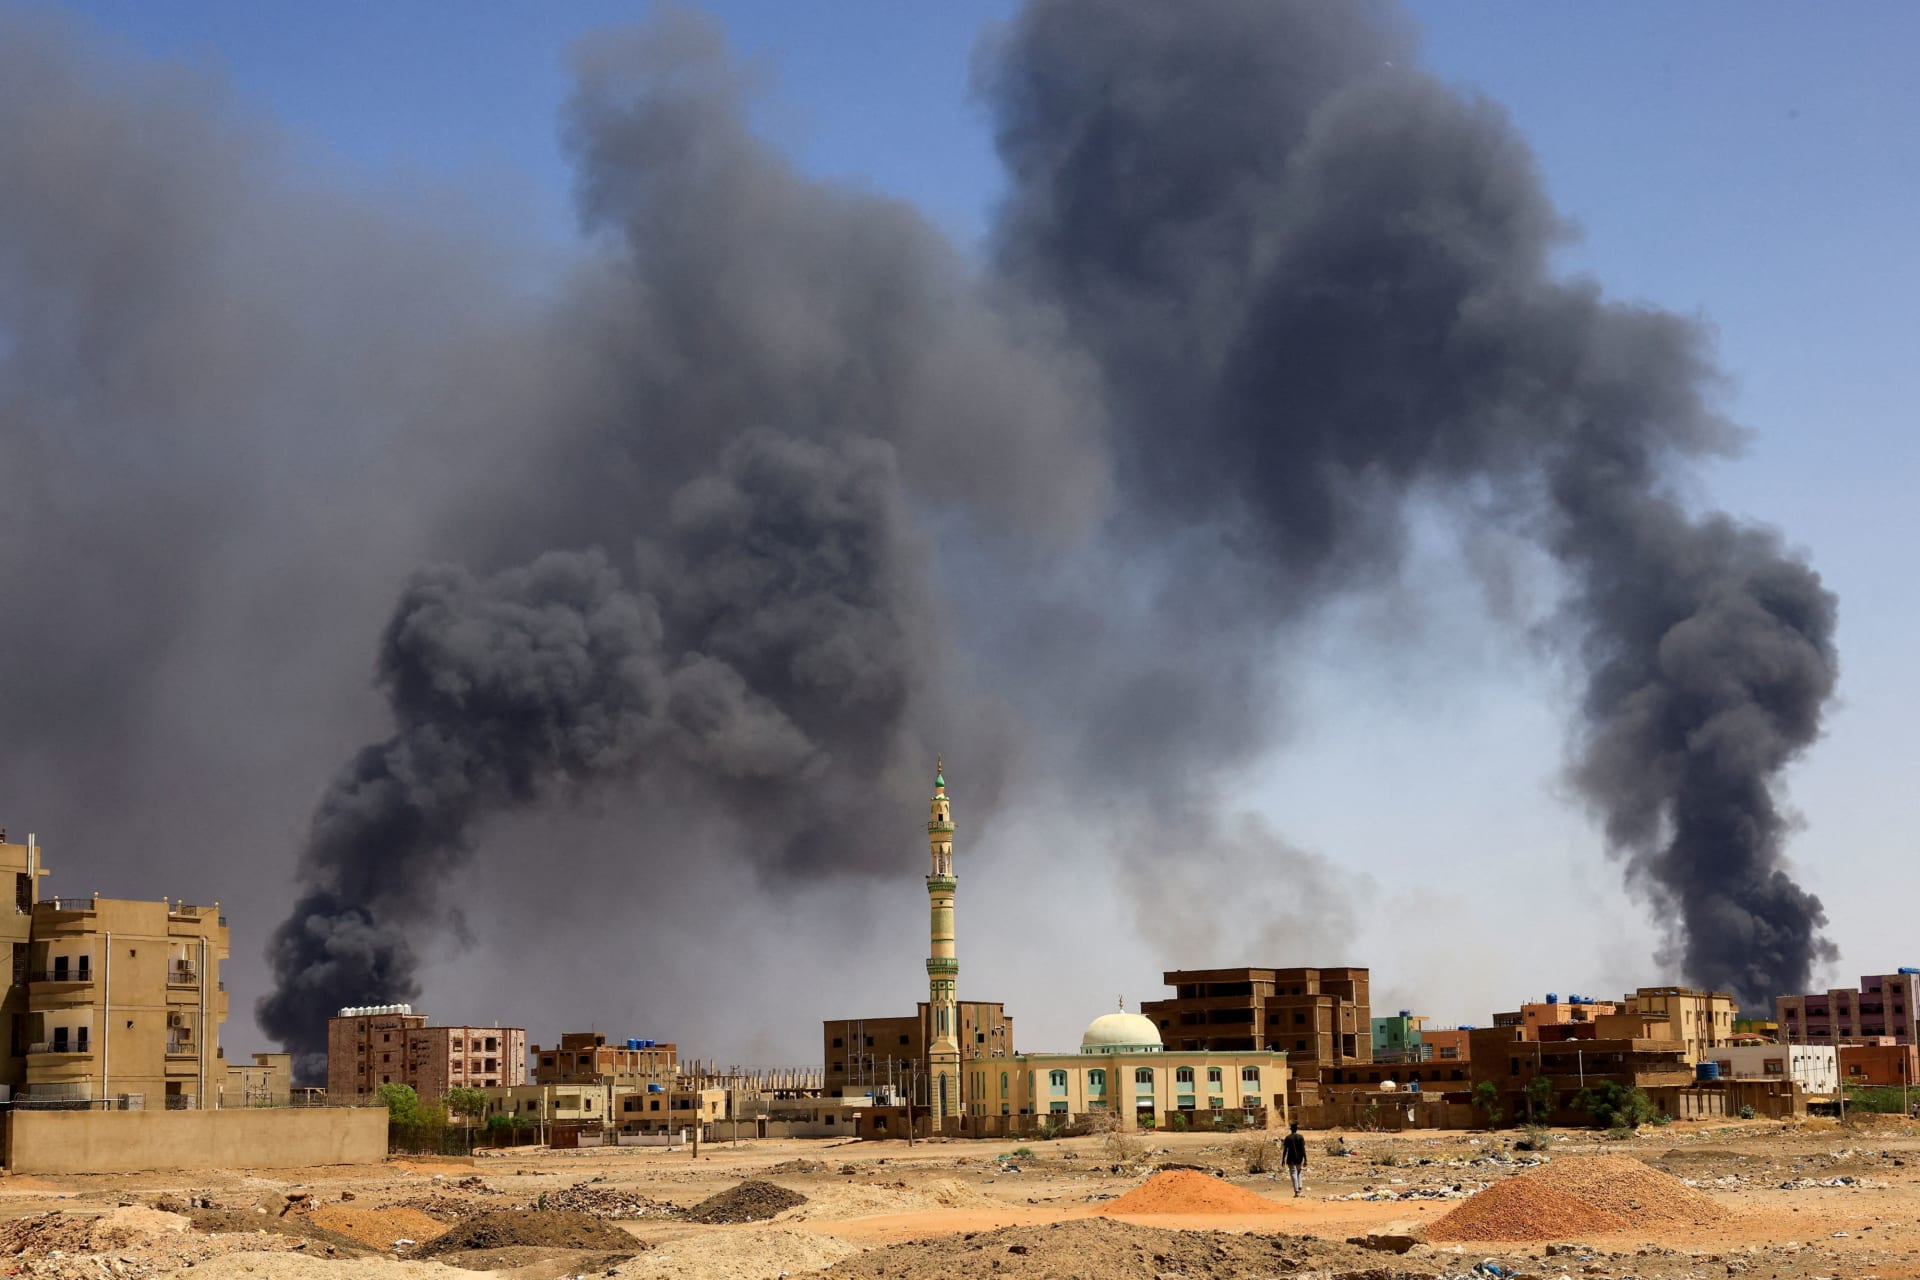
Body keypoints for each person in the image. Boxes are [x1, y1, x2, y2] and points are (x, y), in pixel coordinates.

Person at [1281, 1121, 1308, 1196]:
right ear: (1296, 1129)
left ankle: (1296, 1191)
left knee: (1293, 1173)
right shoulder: (1300, 1137)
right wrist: (1305, 1159)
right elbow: (1303, 1149)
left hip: (1291, 1158)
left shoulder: (1288, 1138)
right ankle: (1300, 1187)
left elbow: (1285, 1149)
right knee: (1299, 1172)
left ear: (1291, 1129)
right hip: (1299, 1158)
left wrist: (1283, 1159)